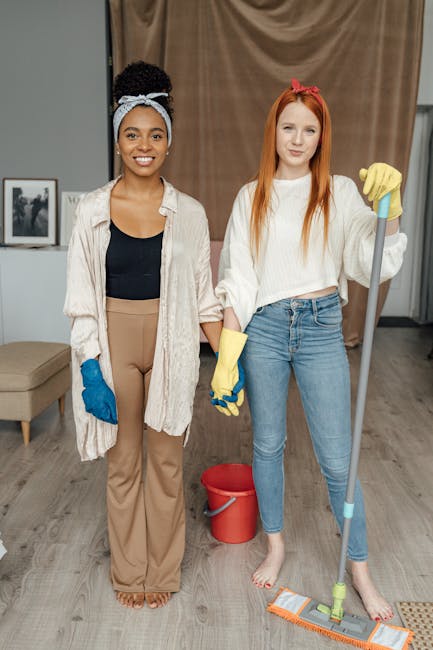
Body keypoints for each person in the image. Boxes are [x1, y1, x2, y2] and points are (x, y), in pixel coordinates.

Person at [211, 79, 407, 622]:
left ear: (322, 137)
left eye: (310, 130)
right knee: (268, 445)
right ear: (273, 131)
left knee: (338, 460)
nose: (298, 139)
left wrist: (392, 204)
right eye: (289, 127)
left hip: (321, 326)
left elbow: (374, 258)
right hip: (267, 329)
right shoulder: (251, 196)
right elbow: (239, 280)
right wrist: (228, 358)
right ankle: (276, 547)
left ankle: (360, 572)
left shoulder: (340, 192)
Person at [64, 61, 222, 610]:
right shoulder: (89, 211)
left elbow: (205, 299)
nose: (144, 145)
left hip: (173, 344)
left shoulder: (192, 214)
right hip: (115, 347)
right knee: (125, 460)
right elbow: (81, 300)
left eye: (156, 134)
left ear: (169, 142)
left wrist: (228, 359)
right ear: (117, 141)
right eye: (132, 134)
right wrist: (89, 369)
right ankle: (130, 575)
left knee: (167, 460)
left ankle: (164, 571)